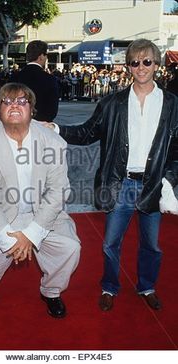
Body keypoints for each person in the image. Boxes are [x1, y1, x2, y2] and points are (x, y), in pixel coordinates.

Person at [45, 39, 178, 311]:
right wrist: (56, 129)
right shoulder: (112, 103)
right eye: (134, 62)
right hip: (121, 183)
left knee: (151, 245)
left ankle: (147, 285)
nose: (141, 67)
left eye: (147, 61)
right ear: (128, 66)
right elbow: (87, 132)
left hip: (153, 184)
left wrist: (169, 179)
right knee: (110, 243)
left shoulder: (172, 103)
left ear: (156, 64)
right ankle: (109, 286)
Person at [0, 82, 81, 318]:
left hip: (41, 213)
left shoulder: (53, 142)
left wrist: (32, 234)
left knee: (70, 248)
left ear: (32, 109)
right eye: (7, 101)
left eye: (22, 101)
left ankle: (51, 291)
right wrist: (8, 238)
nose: (14, 106)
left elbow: (58, 190)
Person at [14, 40, 59, 122]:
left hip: (17, 122)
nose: (46, 58)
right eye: (46, 55)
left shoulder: (14, 77)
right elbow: (51, 112)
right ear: (41, 56)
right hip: (41, 125)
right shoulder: (49, 79)